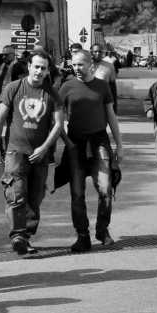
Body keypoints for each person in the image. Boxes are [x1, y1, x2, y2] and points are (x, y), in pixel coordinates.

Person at [0, 50, 65, 256]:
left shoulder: (52, 93)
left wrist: (44, 148)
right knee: (16, 194)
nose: (39, 71)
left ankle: (26, 235)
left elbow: (58, 125)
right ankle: (18, 236)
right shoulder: (13, 88)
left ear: (48, 70)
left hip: (39, 156)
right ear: (29, 67)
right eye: (36, 67)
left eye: (44, 68)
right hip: (15, 152)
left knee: (35, 197)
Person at [58, 50, 122, 252]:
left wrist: (119, 145)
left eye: (80, 64)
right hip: (75, 143)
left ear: (90, 65)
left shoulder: (102, 87)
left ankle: (102, 230)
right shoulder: (66, 87)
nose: (77, 68)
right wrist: (62, 141)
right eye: (74, 65)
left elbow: (111, 116)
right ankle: (82, 236)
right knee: (77, 194)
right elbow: (56, 119)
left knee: (105, 189)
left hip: (99, 141)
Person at [90, 44, 118, 111]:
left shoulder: (109, 66)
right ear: (91, 52)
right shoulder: (86, 65)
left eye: (100, 51)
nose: (98, 53)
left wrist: (114, 105)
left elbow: (113, 86)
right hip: (88, 98)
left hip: (103, 100)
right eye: (95, 51)